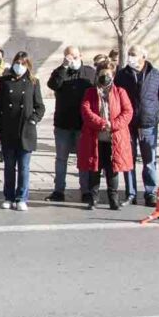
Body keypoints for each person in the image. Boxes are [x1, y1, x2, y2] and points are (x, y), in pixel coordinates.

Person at [114, 46, 159, 207]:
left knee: (149, 160)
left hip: (148, 123)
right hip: (128, 123)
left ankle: (150, 192)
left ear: (143, 56)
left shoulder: (156, 74)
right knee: (128, 159)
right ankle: (131, 193)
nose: (130, 57)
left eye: (134, 54)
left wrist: (152, 112)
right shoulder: (122, 75)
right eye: (129, 54)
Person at [0, 51, 45, 211]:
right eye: (17, 63)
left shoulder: (33, 82)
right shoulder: (4, 81)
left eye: (23, 63)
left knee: (23, 167)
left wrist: (34, 119)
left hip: (26, 130)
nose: (20, 66)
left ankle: (21, 197)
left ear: (28, 65)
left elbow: (40, 106)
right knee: (9, 166)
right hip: (8, 129)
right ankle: (8, 196)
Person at [77, 63, 133, 210]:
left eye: (108, 74)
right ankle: (93, 198)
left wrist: (113, 125)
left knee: (112, 170)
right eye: (102, 74)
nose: (105, 77)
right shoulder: (90, 92)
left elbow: (127, 112)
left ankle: (113, 199)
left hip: (114, 139)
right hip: (95, 138)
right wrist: (102, 123)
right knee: (94, 169)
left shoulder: (120, 92)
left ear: (113, 76)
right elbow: (86, 111)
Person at [45, 46, 95, 202]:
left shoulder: (89, 72)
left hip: (82, 124)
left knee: (83, 159)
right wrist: (64, 67)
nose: (71, 59)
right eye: (68, 56)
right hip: (63, 124)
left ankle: (86, 190)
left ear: (80, 55)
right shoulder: (60, 71)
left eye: (74, 56)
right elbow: (53, 84)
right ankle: (58, 190)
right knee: (61, 159)